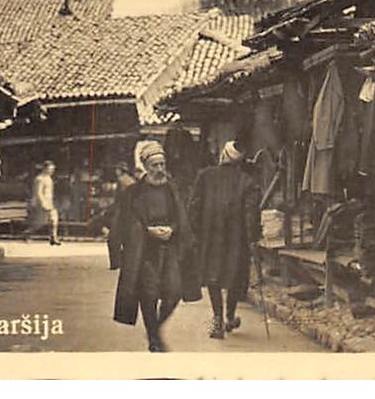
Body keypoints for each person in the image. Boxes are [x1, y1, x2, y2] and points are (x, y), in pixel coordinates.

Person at [106, 141, 202, 352]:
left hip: (170, 249)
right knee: (147, 295)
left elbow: (182, 218)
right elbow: (121, 221)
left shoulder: (172, 190)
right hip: (143, 251)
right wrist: (144, 233)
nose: (160, 170)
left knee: (174, 291)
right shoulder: (132, 193)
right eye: (155, 165)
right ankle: (154, 339)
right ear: (146, 167)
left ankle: (155, 329)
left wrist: (174, 229)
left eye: (162, 164)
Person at [188, 141, 262, 339]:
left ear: (223, 155)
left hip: (210, 237)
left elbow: (193, 207)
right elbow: (251, 213)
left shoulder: (204, 176)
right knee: (234, 278)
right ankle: (229, 316)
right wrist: (253, 237)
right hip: (236, 239)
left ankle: (218, 318)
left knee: (213, 277)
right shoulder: (247, 181)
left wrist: (195, 232)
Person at [28, 160, 60, 245]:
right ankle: (27, 234)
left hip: (49, 201)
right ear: (45, 169)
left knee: (54, 219)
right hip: (41, 202)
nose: (52, 171)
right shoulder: (40, 179)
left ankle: (53, 237)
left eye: (52, 169)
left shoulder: (49, 179)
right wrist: (42, 203)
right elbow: (38, 192)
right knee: (39, 223)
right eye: (50, 169)